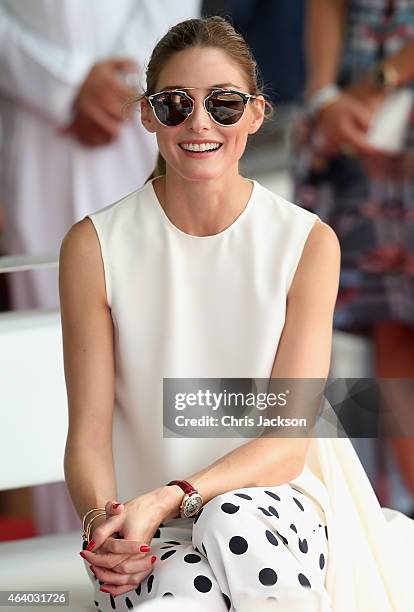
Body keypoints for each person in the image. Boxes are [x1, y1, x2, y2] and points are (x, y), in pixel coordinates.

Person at [60, 16, 413, 611]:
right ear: (147, 115)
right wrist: (104, 524)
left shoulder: (306, 241)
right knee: (171, 602)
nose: (199, 122)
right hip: (152, 530)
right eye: (175, 104)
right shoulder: (94, 246)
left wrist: (172, 497)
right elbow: (88, 437)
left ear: (255, 114)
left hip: (281, 512)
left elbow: (286, 441)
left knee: (233, 521)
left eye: (223, 104)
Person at [293, 0, 414, 516]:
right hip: (356, 130)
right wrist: (326, 97)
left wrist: (377, 82)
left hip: (372, 104)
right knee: (390, 328)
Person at [0, 0, 201, 310]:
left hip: (144, 115)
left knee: (162, 300)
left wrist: (125, 83)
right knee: (45, 312)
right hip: (32, 124)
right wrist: (63, 86)